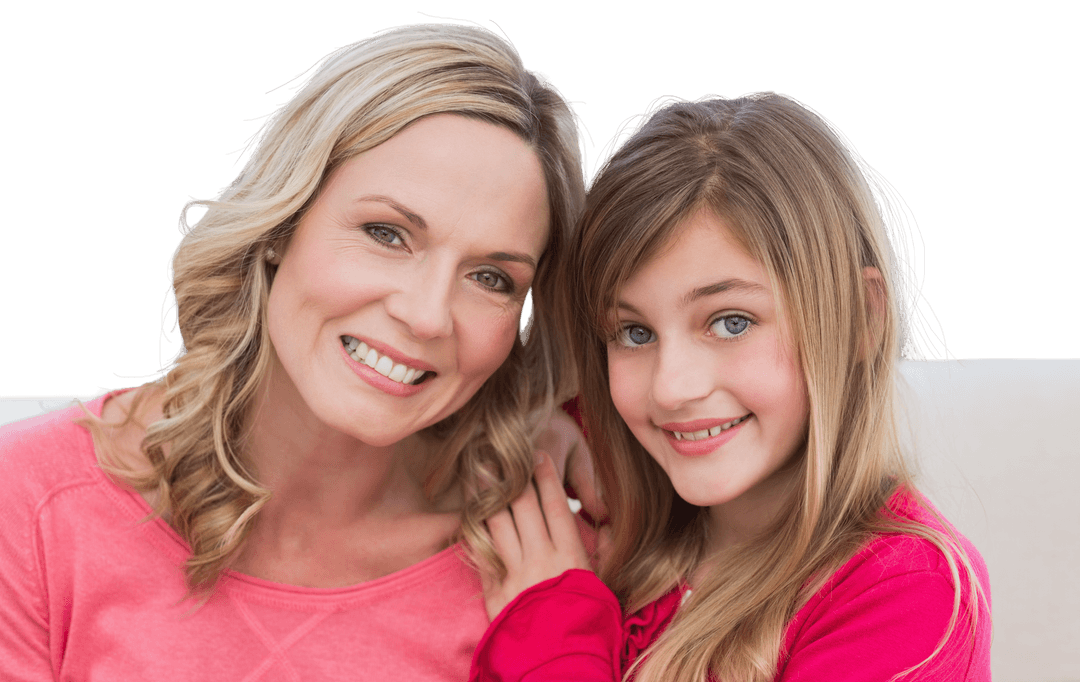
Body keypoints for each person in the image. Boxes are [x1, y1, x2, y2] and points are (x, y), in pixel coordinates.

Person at [0, 22, 597, 681]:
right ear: (281, 226)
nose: (426, 315)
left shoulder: (551, 580)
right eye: (386, 233)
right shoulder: (30, 508)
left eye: (491, 279)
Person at [470, 92, 992, 681]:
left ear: (859, 320)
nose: (671, 388)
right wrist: (554, 423)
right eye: (634, 332)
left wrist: (553, 631)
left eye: (731, 322)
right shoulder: (643, 510)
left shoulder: (906, 590)